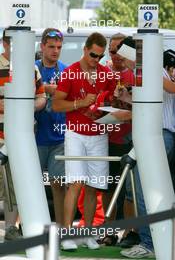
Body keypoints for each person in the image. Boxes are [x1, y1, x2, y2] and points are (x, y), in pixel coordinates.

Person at [52, 32, 116, 251]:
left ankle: (87, 234)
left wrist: (108, 107)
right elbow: (56, 105)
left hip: (99, 135)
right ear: (85, 49)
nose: (95, 60)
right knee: (75, 183)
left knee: (93, 187)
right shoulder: (69, 73)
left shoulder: (106, 74)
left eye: (99, 56)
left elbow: (112, 100)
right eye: (92, 55)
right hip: (76, 134)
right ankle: (67, 235)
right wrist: (80, 103)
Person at [116, 37, 175, 258]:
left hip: (160, 137)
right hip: (153, 136)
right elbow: (152, 101)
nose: (124, 62)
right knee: (147, 190)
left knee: (144, 190)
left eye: (125, 57)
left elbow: (170, 89)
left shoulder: (154, 71)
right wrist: (127, 98)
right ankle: (154, 241)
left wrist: (149, 70)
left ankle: (149, 243)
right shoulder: (146, 73)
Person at [0, 29, 46, 240]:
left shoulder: (31, 70)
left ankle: (11, 227)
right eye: (14, 45)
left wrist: (26, 107)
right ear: (5, 44)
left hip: (21, 136)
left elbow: (42, 98)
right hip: (1, 133)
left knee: (15, 183)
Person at [101, 33, 139, 247]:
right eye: (112, 51)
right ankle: (109, 231)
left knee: (130, 189)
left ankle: (129, 232)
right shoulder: (102, 72)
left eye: (120, 51)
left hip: (131, 138)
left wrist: (127, 106)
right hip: (107, 138)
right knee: (109, 188)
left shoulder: (137, 74)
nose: (116, 56)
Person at [35, 28, 67, 226]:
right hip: (35, 136)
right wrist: (46, 88)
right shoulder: (32, 68)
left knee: (58, 185)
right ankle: (29, 225)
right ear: (42, 47)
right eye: (51, 47)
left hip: (59, 137)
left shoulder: (66, 70)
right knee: (32, 184)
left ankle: (63, 229)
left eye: (59, 47)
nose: (55, 51)